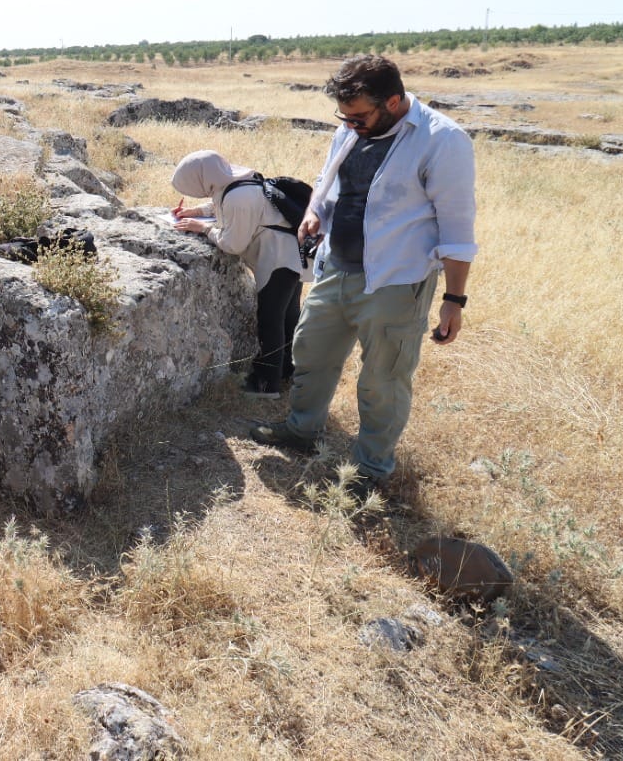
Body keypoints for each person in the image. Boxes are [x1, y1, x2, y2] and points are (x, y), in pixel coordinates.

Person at [250, 55, 477, 498]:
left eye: (359, 116)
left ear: (393, 101)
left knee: (383, 378)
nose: (349, 125)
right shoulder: (350, 130)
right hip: (336, 267)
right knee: (310, 352)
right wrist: (315, 211)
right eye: (344, 116)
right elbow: (327, 181)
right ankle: (301, 430)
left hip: (395, 281)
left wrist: (455, 300)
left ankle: (369, 469)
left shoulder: (443, 141)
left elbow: (457, 226)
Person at [171, 150, 308, 397]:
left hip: (278, 259)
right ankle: (288, 370)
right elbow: (222, 202)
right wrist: (197, 211)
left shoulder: (240, 196)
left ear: (204, 177)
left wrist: (204, 229)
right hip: (292, 255)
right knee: (287, 316)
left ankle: (266, 385)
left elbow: (233, 244)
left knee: (271, 319)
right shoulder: (239, 181)